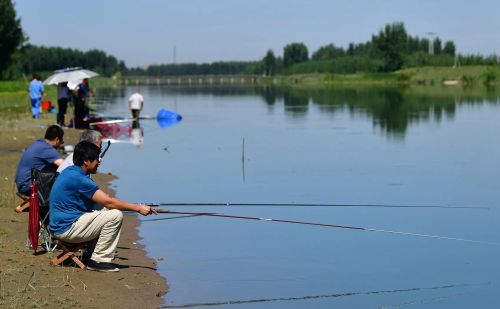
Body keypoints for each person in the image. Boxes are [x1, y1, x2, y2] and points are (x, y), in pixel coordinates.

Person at [49, 141, 157, 272]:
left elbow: (105, 201)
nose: (99, 162)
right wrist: (138, 208)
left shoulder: (71, 171)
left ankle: (90, 254)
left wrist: (136, 206)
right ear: (86, 161)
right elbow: (109, 201)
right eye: (96, 159)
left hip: (61, 225)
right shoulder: (79, 178)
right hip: (65, 229)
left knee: (108, 210)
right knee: (115, 216)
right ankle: (98, 260)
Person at [15, 125, 64, 196]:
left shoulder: (39, 143)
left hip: (22, 184)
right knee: (61, 173)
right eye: (61, 142)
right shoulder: (47, 149)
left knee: (54, 168)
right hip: (28, 187)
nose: (60, 145)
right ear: (57, 140)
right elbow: (65, 166)